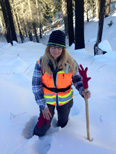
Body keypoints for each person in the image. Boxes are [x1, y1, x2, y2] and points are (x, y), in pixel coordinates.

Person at [32, 30, 91, 137]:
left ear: (63, 49)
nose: (56, 50)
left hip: (65, 99)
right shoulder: (41, 63)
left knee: (63, 124)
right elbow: (36, 86)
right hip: (47, 101)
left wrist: (83, 91)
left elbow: (77, 79)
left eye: (59, 47)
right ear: (48, 47)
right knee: (42, 128)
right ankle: (34, 137)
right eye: (53, 47)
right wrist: (43, 106)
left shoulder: (70, 63)